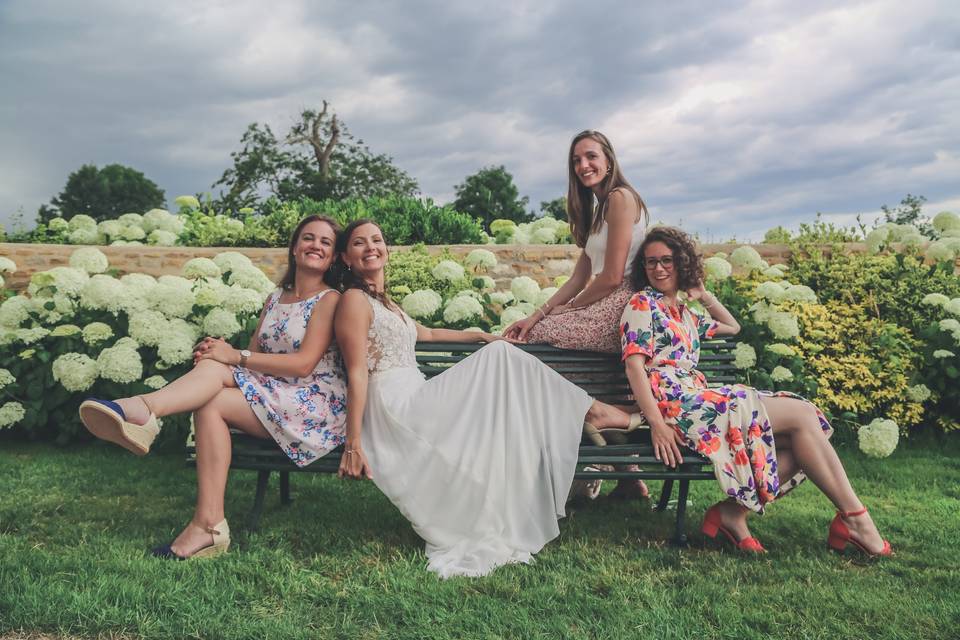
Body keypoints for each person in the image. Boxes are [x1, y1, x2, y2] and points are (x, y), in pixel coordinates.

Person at [333, 219, 641, 578]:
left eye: (377, 240)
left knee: (501, 365)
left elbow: (428, 332)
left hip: (414, 394)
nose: (371, 247)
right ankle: (596, 412)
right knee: (502, 360)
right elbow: (357, 373)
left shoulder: (383, 302)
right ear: (345, 257)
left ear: (386, 250)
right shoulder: (353, 301)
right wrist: (353, 442)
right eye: (359, 243)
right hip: (395, 407)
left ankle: (588, 418)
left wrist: (480, 334)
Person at [78, 215, 348, 559]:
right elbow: (256, 355)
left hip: (312, 404)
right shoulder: (277, 297)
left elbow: (303, 364)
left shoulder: (330, 300)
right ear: (294, 248)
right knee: (210, 392)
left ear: (334, 257)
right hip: (275, 394)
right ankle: (206, 524)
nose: (316, 246)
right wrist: (222, 353)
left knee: (216, 379)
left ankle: (144, 412)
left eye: (325, 242)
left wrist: (232, 355)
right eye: (308, 238)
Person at [615, 226, 891, 556]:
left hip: (701, 400)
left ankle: (734, 514)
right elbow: (634, 367)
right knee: (803, 417)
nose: (658, 269)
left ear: (682, 263)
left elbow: (733, 326)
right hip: (678, 405)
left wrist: (702, 294)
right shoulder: (642, 304)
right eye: (650, 263)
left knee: (805, 433)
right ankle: (856, 521)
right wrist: (657, 425)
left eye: (666, 260)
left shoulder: (686, 313)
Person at [504, 129, 649, 500]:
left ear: (609, 160)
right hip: (601, 302)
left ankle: (578, 459)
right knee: (562, 364)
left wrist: (569, 310)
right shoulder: (598, 209)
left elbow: (613, 276)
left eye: (591, 157)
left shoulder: (621, 198)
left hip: (621, 307)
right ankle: (629, 474)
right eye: (576, 161)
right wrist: (537, 314)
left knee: (529, 352)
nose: (584, 166)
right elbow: (579, 277)